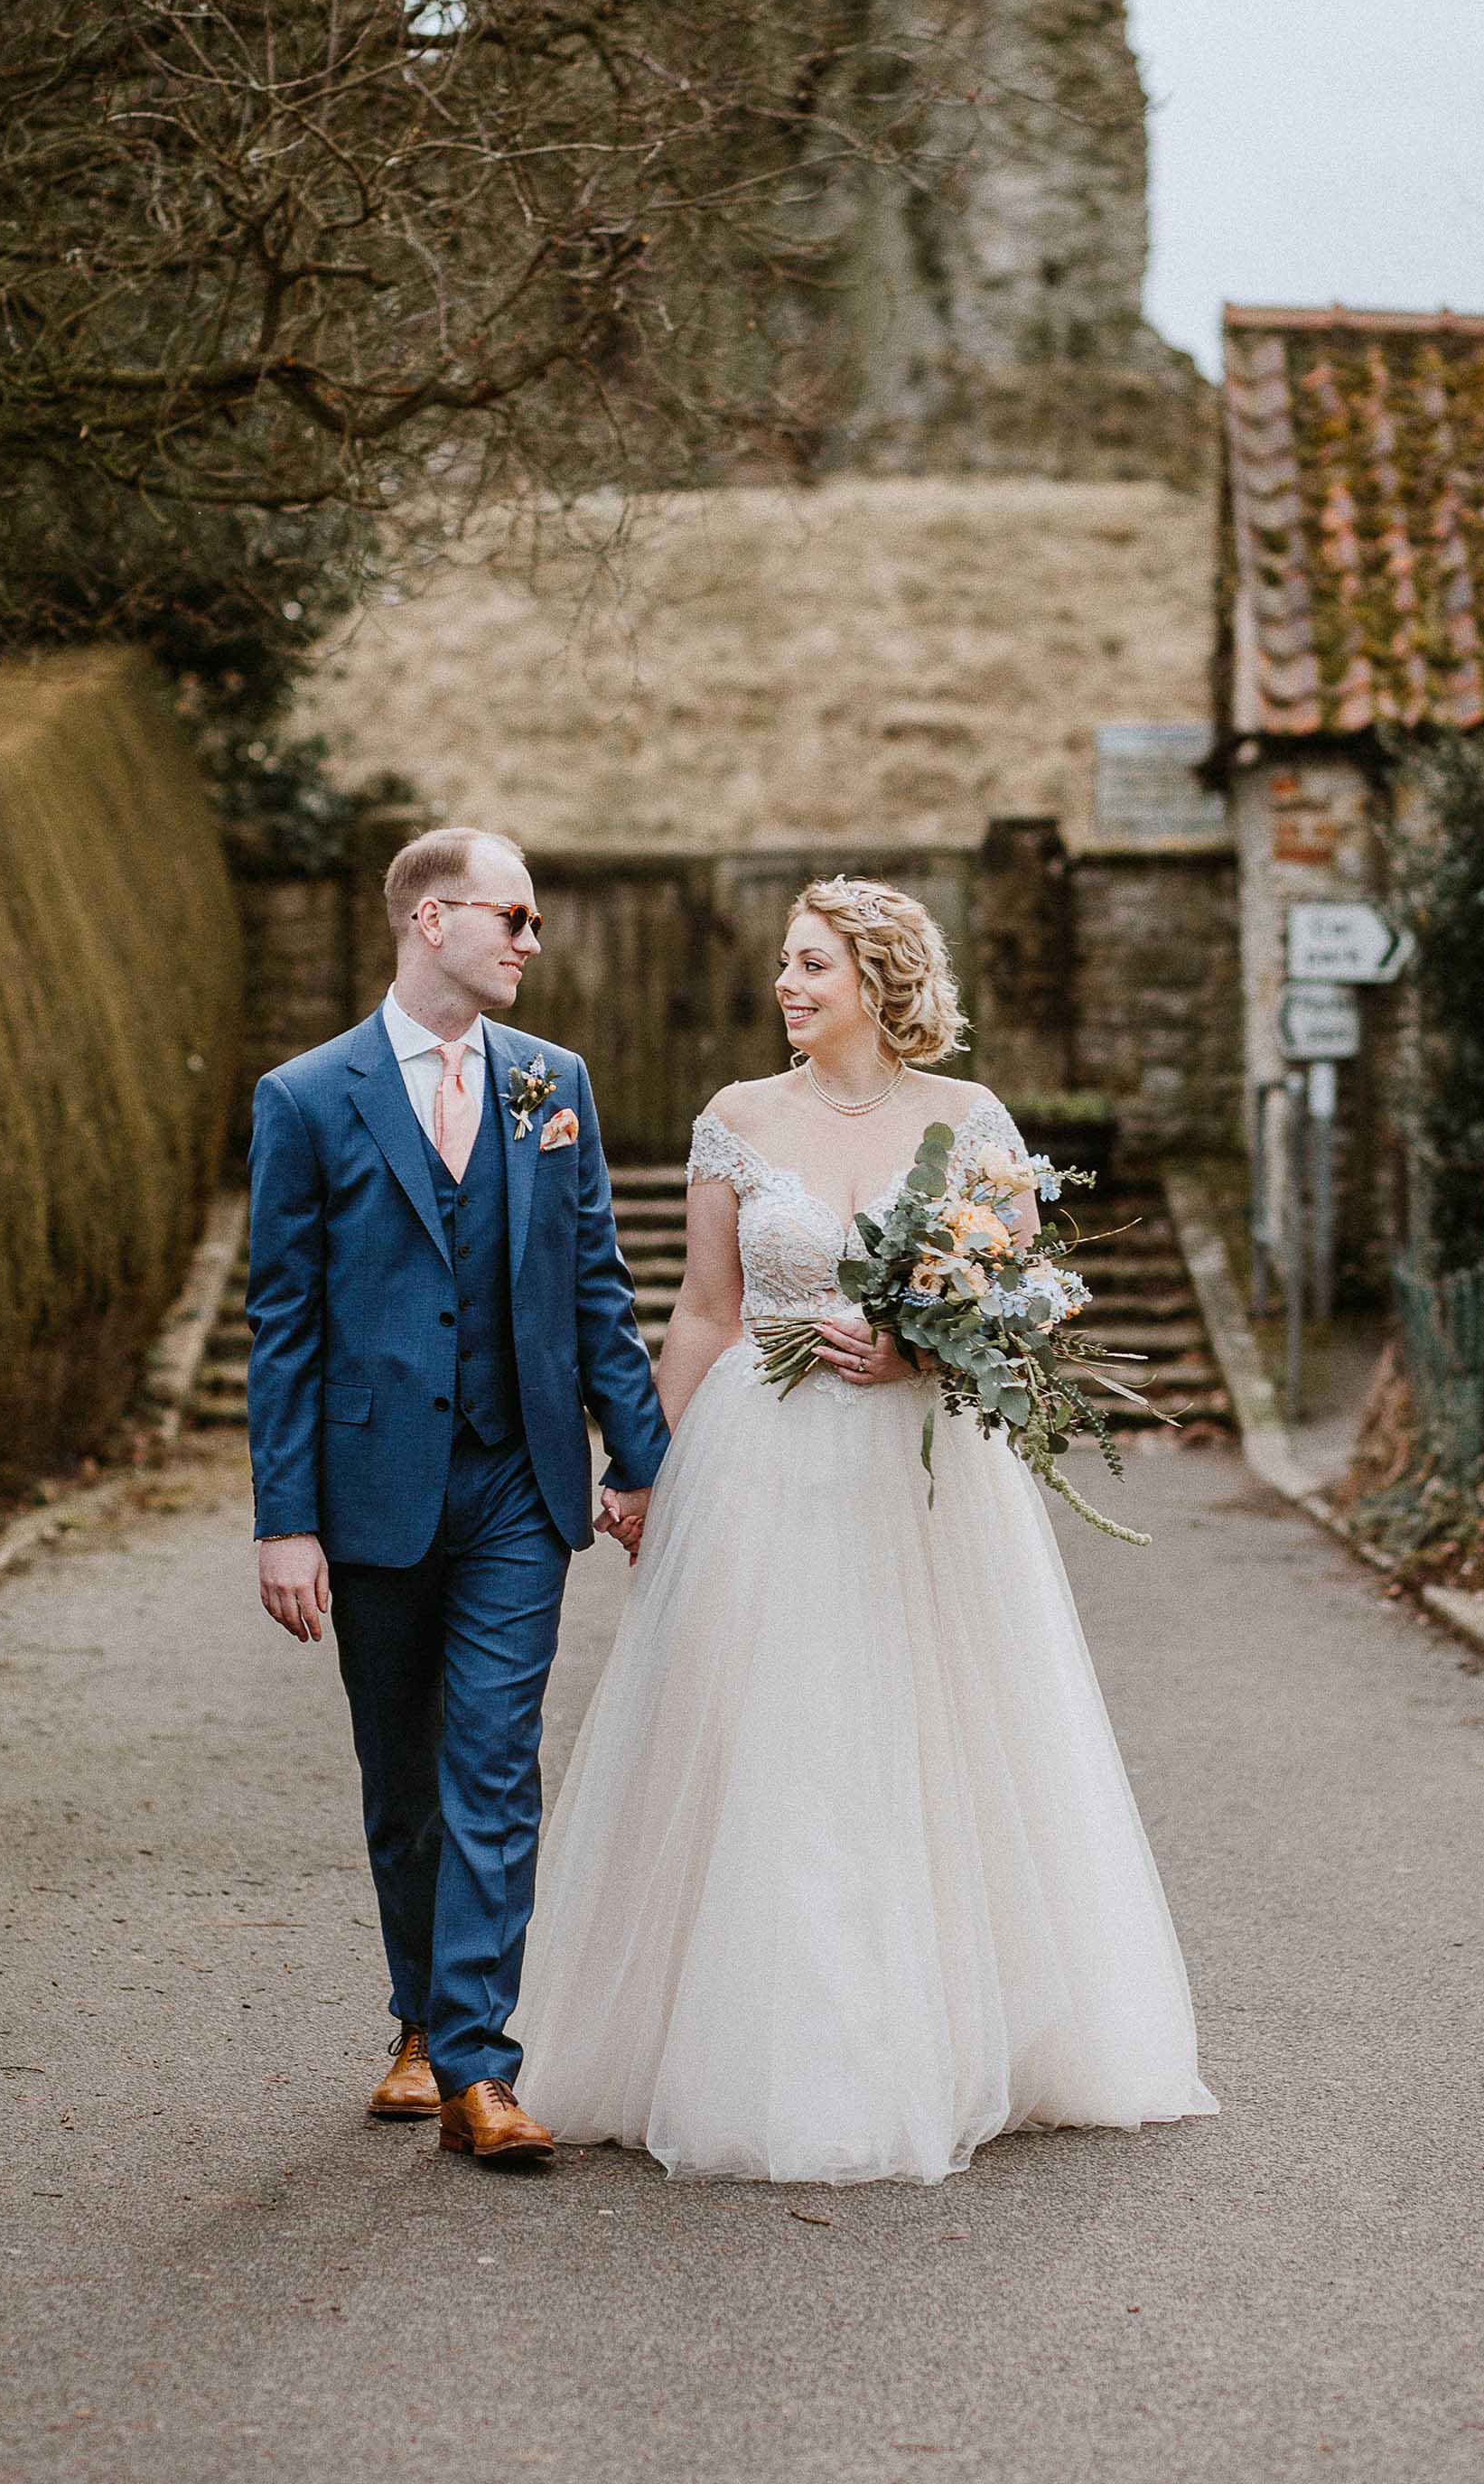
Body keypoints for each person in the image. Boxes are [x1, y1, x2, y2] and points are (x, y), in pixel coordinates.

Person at [518, 875, 1218, 2183]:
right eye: (786, 967)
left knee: (926, 1728)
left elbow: (1023, 1305)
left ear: (881, 983)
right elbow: (707, 1312)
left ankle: (952, 2035)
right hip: (758, 1466)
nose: (788, 987)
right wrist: (646, 1467)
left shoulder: (970, 1121)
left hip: (917, 1470)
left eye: (813, 967)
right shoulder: (735, 1120)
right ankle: (732, 2035)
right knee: (763, 1730)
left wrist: (919, 1349)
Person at [245, 826, 667, 2166]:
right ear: (433, 920)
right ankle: (420, 2023)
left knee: (494, 1760)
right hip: (369, 1494)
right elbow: (285, 1325)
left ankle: (482, 2066)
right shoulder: (308, 1098)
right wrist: (283, 1517)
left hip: (515, 1484)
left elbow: (597, 1284)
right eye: (515, 917)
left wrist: (643, 1456)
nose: (532, 943)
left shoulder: (557, 1085)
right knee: (403, 1778)